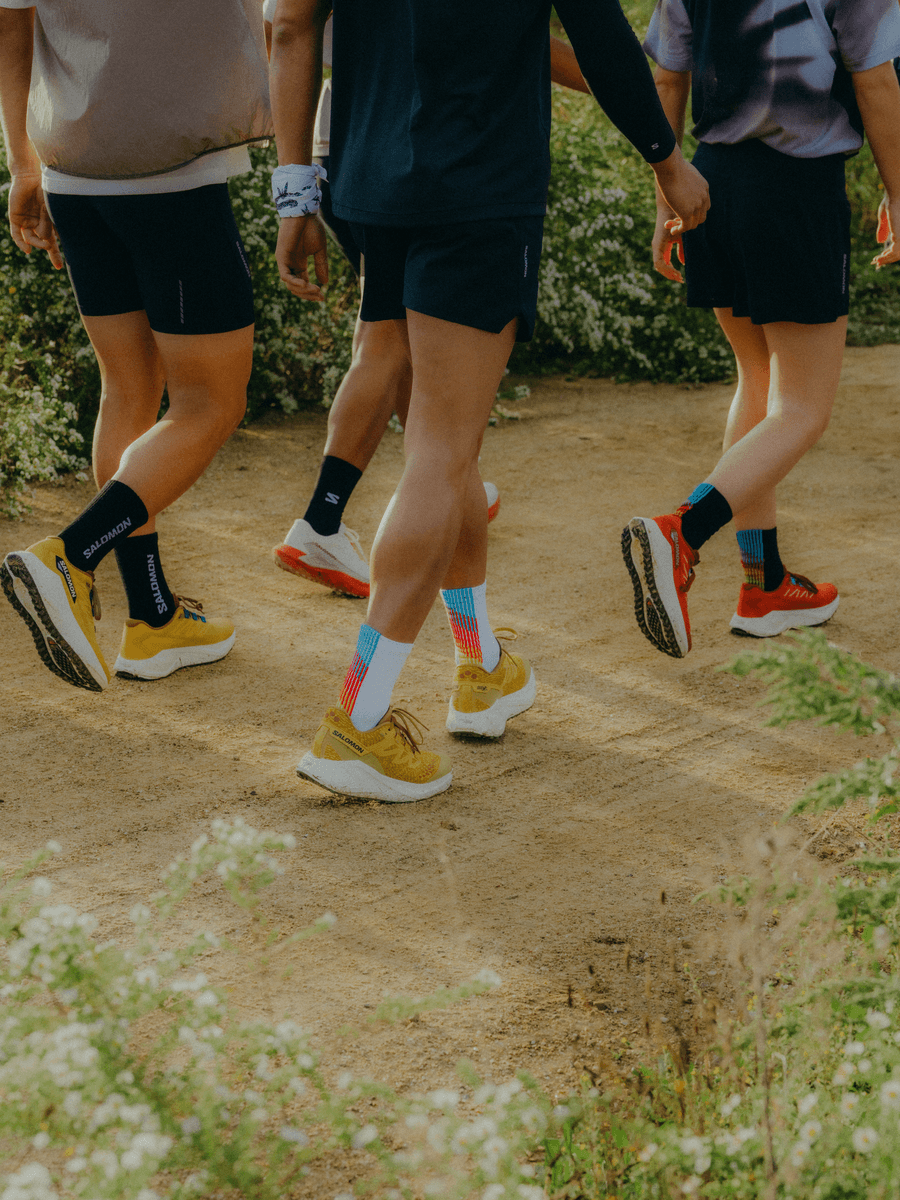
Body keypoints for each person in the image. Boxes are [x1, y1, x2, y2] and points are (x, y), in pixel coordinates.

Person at [268, 0, 709, 801]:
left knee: (449, 444)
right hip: (477, 187)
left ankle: (481, 667)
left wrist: (294, 195)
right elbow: (600, 33)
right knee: (441, 450)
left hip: (367, 179)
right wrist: (666, 158)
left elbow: (291, 26)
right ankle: (356, 723)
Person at [264, 6, 587, 599]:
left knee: (395, 338)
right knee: (387, 341)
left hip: (353, 138)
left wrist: (293, 193)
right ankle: (327, 518)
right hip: (404, 139)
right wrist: (614, 73)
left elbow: (286, 27)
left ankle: (439, 484)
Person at [0, 1, 271, 690]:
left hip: (71, 168)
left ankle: (153, 619)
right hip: (171, 173)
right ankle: (70, 557)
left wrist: (22, 166)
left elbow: (11, 25)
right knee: (210, 403)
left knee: (129, 388)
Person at [622, 0, 900, 658]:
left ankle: (764, 584)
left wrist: (668, 190)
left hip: (710, 180)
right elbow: (876, 81)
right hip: (796, 191)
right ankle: (682, 532)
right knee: (803, 410)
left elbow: (666, 77)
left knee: (760, 380)